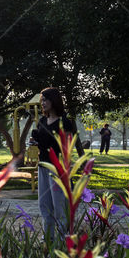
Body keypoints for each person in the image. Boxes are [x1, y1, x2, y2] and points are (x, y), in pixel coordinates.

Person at [30, 87, 85, 241]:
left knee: (60, 207)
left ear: (54, 101)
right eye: (42, 100)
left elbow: (66, 148)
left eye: (45, 99)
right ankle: (48, 240)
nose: (43, 102)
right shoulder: (42, 121)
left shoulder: (64, 123)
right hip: (43, 167)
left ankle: (62, 242)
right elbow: (41, 144)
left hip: (58, 170)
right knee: (44, 206)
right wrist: (35, 141)